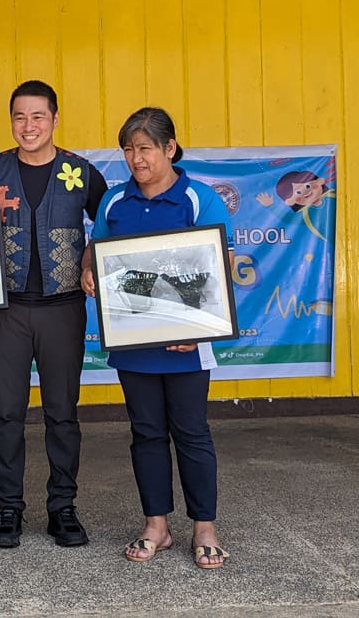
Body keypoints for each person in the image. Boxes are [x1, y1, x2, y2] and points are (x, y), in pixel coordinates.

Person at [81, 106, 232, 570]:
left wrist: (196, 328)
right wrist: (89, 268)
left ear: (169, 148)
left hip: (187, 344)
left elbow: (219, 266)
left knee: (191, 433)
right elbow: (99, 247)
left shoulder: (199, 199)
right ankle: (157, 526)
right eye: (128, 149)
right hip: (134, 341)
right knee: (146, 433)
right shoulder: (113, 202)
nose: (136, 158)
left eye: (145, 148)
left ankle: (204, 528)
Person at [0, 80, 108, 548]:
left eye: (38, 117)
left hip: (64, 309)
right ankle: (7, 509)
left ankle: (62, 508)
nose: (29, 126)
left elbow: (109, 229)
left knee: (62, 414)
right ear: (10, 121)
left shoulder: (82, 173)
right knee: (6, 413)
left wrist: (90, 264)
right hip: (5, 311)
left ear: (55, 118)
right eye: (19, 117)